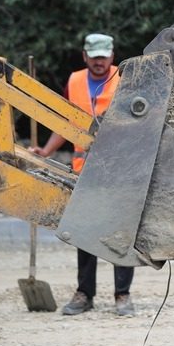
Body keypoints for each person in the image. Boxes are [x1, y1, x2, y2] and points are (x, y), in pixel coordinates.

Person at [29, 33, 135, 317]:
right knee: (85, 233)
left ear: (112, 56)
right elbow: (66, 122)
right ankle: (84, 294)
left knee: (120, 234)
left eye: (103, 57)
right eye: (94, 56)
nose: (99, 62)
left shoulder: (126, 79)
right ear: (85, 56)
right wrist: (46, 151)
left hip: (120, 171)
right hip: (85, 173)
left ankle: (122, 296)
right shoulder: (75, 82)